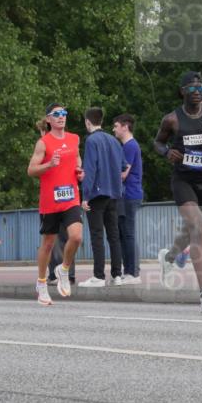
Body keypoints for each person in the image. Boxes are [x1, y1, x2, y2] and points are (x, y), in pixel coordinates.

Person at [153, 71, 202, 313]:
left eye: (200, 87)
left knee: (192, 230)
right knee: (198, 227)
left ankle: (169, 257)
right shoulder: (172, 120)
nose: (197, 92)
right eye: (192, 89)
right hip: (182, 181)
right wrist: (167, 152)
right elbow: (157, 142)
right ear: (182, 92)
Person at [28, 103, 84, 306]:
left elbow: (77, 161)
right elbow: (31, 170)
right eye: (57, 114)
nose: (62, 117)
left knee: (76, 237)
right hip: (50, 200)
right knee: (48, 244)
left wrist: (80, 172)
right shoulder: (43, 143)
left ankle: (64, 268)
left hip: (71, 198)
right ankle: (42, 283)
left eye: (64, 113)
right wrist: (49, 164)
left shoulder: (74, 139)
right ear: (49, 119)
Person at [79, 107, 125, 287]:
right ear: (102, 121)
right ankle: (117, 274)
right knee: (114, 235)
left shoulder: (91, 140)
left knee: (97, 234)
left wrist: (85, 196)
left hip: (97, 194)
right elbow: (123, 166)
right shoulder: (114, 140)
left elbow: (90, 169)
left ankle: (98, 276)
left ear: (87, 122)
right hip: (114, 193)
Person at [113, 113, 143, 284]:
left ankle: (133, 273)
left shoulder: (130, 146)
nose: (114, 129)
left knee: (129, 234)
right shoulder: (126, 146)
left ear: (125, 126)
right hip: (126, 195)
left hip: (130, 195)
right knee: (124, 233)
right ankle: (130, 271)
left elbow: (123, 174)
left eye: (116, 126)